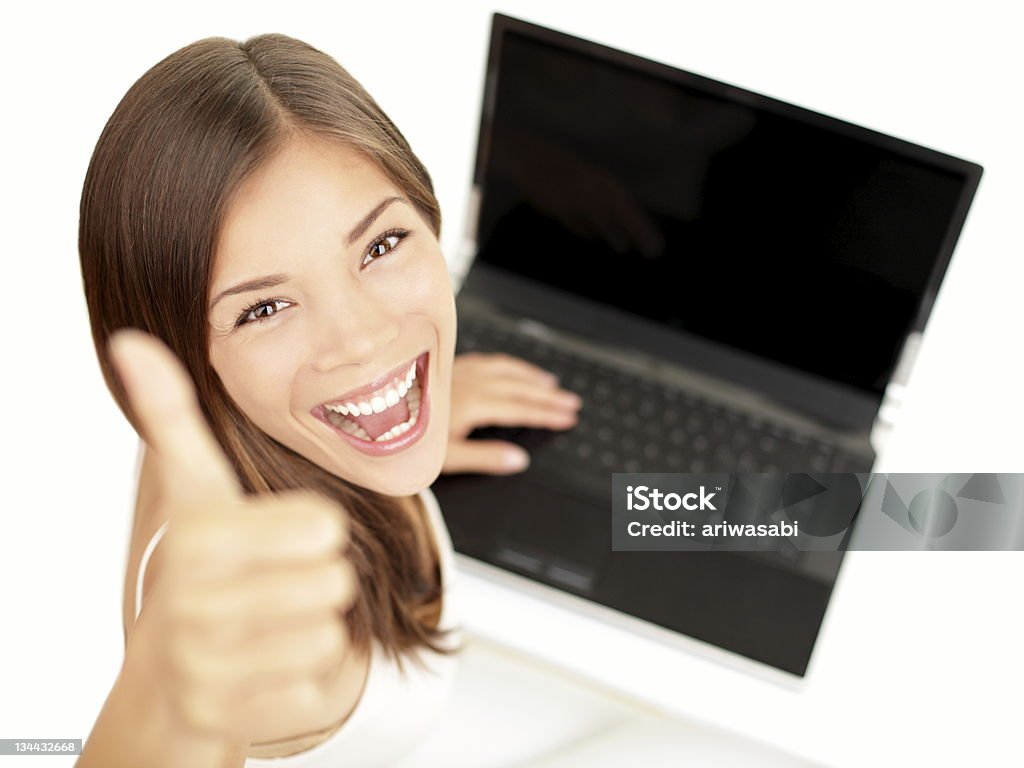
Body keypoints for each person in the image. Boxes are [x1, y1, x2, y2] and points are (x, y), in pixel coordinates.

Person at [75, 33, 583, 767]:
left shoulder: (234, 412)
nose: (362, 340)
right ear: (185, 359)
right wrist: (158, 691)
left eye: (381, 246)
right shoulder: (265, 636)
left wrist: (419, 389)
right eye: (264, 310)